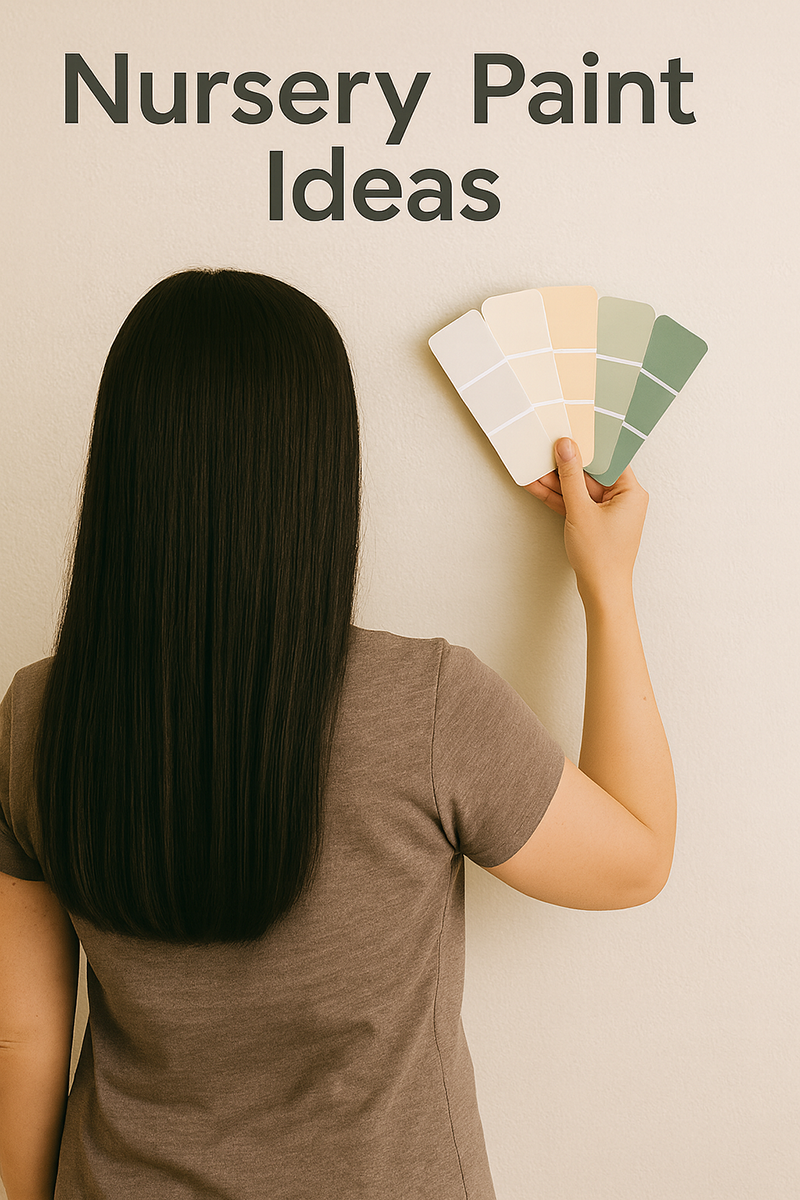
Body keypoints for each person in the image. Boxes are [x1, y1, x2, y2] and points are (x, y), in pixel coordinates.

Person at [0, 269, 676, 1200]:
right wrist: (608, 586)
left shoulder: (36, 718)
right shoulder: (425, 706)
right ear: (321, 473)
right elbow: (634, 858)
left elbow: (24, 1032)